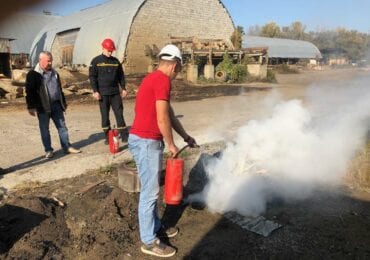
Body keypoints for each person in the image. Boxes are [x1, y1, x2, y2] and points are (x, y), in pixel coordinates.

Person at [128, 44, 197, 258]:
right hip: (147, 142)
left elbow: (171, 115)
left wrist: (185, 137)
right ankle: (149, 240)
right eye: (179, 70)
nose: (177, 75)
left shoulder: (152, 79)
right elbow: (162, 118)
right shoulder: (163, 81)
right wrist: (171, 144)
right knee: (150, 193)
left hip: (142, 140)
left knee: (151, 189)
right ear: (175, 66)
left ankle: (156, 227)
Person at [26, 51, 81, 158]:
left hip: (56, 104)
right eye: (48, 61)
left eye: (51, 61)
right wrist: (30, 106)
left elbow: (59, 89)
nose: (50, 63)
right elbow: (29, 91)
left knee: (62, 127)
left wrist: (63, 102)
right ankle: (48, 150)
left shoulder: (55, 73)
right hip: (43, 106)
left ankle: (67, 147)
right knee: (44, 129)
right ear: (40, 60)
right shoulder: (33, 74)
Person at [89, 38, 128, 145]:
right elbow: (92, 77)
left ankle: (124, 135)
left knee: (119, 114)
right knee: (105, 116)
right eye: (108, 50)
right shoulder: (96, 61)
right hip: (102, 94)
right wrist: (95, 91)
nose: (110, 52)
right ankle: (108, 136)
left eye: (112, 51)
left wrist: (123, 88)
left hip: (115, 93)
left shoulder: (116, 62)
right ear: (103, 48)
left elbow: (121, 76)